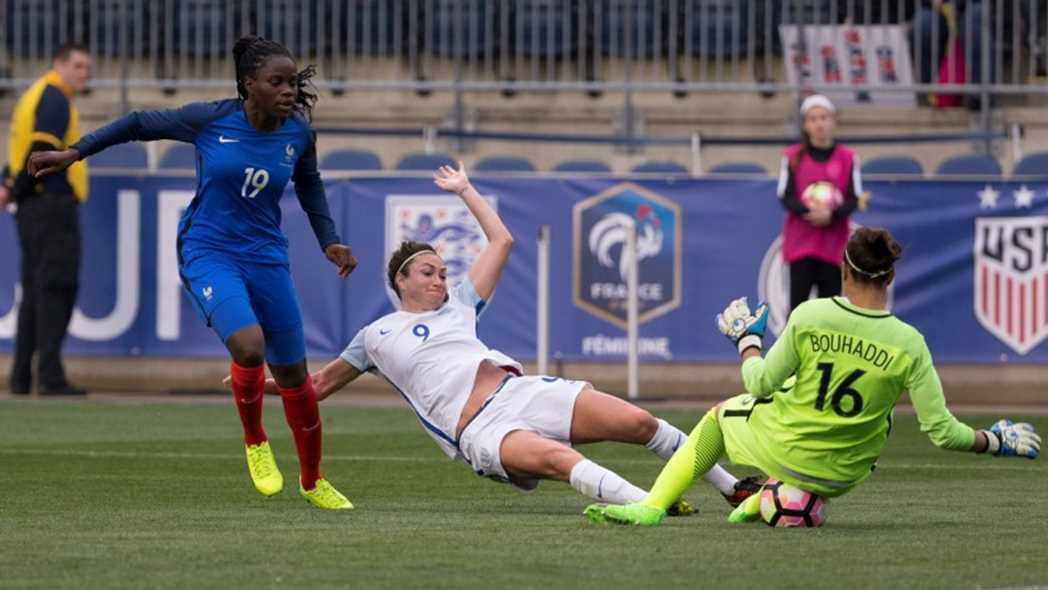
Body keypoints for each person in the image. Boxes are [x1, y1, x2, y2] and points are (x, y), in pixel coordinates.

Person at [252, 162, 760, 508]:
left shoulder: (460, 305)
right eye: (427, 272)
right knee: (562, 461)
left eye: (442, 271)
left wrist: (465, 190)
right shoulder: (375, 336)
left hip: (521, 391)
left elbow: (502, 240)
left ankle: (731, 487)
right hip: (480, 430)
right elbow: (317, 386)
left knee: (640, 422)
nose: (439, 279)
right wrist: (262, 386)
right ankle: (649, 505)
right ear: (400, 280)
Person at [27, 36, 358, 510]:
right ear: (250, 85)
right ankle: (255, 440)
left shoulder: (298, 135)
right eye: (277, 82)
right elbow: (138, 123)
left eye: (291, 82)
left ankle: (312, 481)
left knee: (294, 377)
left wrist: (330, 241)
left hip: (267, 256)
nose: (289, 91)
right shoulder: (211, 119)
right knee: (249, 345)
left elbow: (310, 185)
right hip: (209, 250)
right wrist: (74, 153)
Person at [586, 227, 1040, 527]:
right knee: (863, 406)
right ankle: (764, 499)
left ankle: (652, 506)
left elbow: (758, 384)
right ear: (890, 278)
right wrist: (993, 440)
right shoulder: (910, 343)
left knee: (721, 416)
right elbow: (943, 432)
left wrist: (747, 342)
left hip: (789, 454)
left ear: (843, 269)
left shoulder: (811, 316)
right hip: (844, 474)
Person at [1, 43, 92, 396]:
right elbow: (40, 151)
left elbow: (20, 150)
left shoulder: (33, 95)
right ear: (58, 64)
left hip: (32, 207)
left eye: (87, 67)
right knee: (57, 287)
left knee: (34, 291)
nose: (84, 73)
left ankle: (21, 377)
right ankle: (51, 377)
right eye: (78, 65)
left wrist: (10, 186)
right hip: (51, 205)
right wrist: (16, 188)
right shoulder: (54, 97)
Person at [777, 94, 863, 313]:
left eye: (824, 117)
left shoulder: (848, 158)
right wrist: (810, 211)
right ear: (805, 124)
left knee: (829, 312)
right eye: (813, 119)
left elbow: (855, 198)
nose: (819, 124)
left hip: (833, 246)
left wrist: (831, 215)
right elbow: (785, 195)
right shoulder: (792, 156)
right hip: (800, 245)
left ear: (833, 120)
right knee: (798, 310)